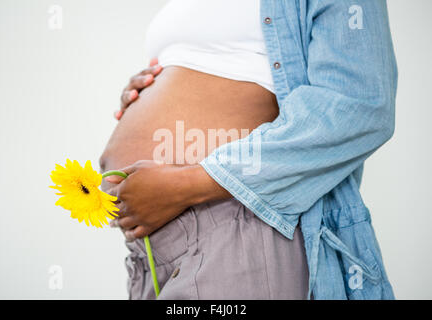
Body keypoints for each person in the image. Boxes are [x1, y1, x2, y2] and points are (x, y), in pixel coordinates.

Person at [100, 0, 397, 300]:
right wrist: (153, 86)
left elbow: (359, 106)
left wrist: (188, 183)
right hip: (151, 252)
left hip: (240, 221)